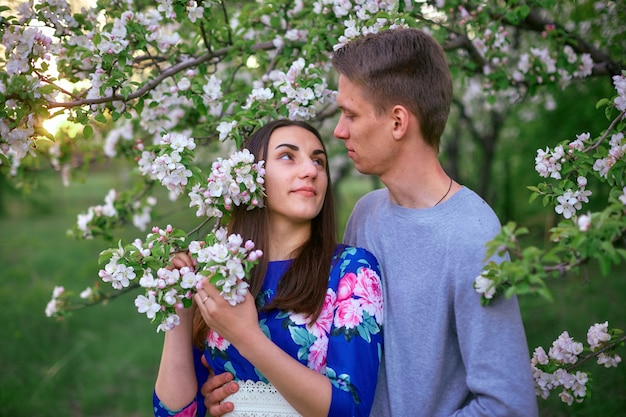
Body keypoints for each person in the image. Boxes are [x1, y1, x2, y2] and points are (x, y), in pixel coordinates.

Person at [202, 28, 539, 417]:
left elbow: (508, 407)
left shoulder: (473, 236)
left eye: (351, 114)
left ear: (398, 122)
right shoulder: (368, 213)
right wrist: (246, 395)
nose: (340, 130)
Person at [152, 119, 384, 417]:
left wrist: (247, 338)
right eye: (288, 156)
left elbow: (350, 410)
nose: (311, 170)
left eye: (319, 161)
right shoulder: (219, 272)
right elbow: (175, 414)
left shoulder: (352, 270)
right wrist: (180, 311)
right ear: (251, 178)